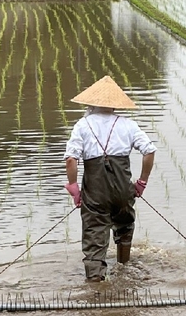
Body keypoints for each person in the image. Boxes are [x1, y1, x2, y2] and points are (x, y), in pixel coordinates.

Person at [64, 76, 156, 282]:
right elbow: (149, 151)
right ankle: (124, 268)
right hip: (123, 190)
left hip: (95, 193)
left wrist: (74, 189)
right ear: (115, 105)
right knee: (124, 225)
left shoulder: (82, 125)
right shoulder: (128, 125)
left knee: (95, 235)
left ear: (91, 103)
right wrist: (141, 182)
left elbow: (71, 160)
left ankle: (96, 288)